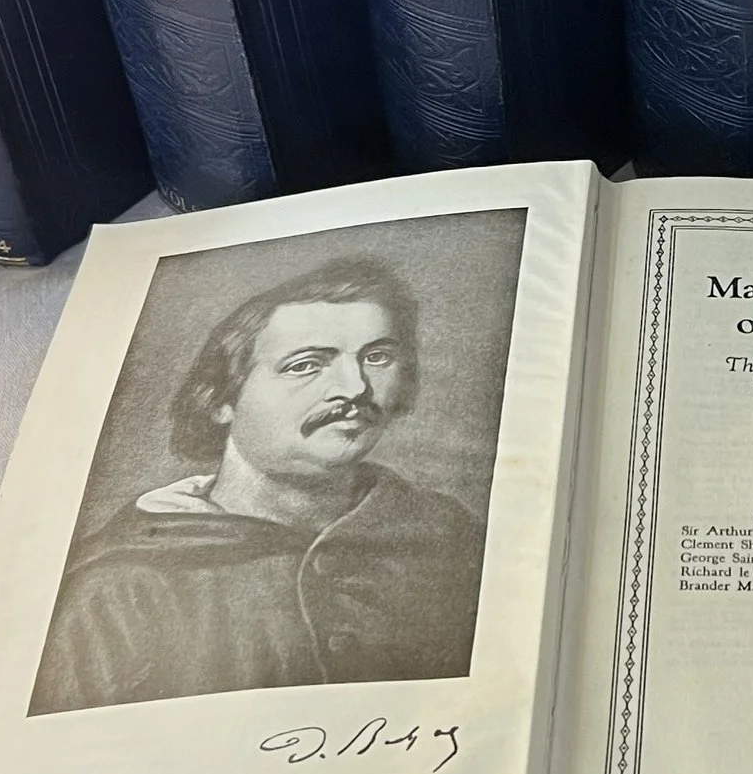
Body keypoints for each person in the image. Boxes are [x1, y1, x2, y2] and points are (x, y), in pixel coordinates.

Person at [31, 257, 482, 714]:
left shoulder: (449, 538)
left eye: (377, 358)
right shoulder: (117, 587)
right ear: (223, 398)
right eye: (306, 365)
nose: (355, 387)